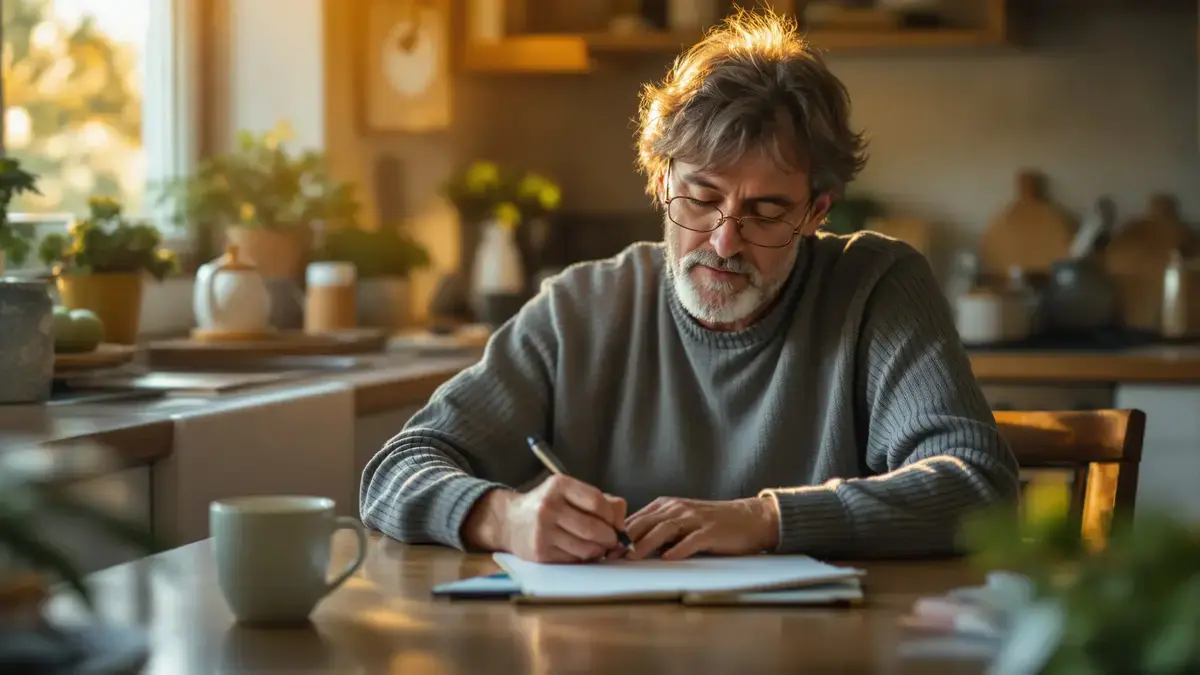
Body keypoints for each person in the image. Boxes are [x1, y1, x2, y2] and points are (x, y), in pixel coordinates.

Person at [359, 10, 1020, 563]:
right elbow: (395, 471)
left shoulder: (876, 287)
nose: (723, 241)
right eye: (701, 198)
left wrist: (767, 518)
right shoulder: (580, 309)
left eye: (764, 211)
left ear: (816, 213)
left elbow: (979, 487)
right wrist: (501, 516)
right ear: (660, 181)